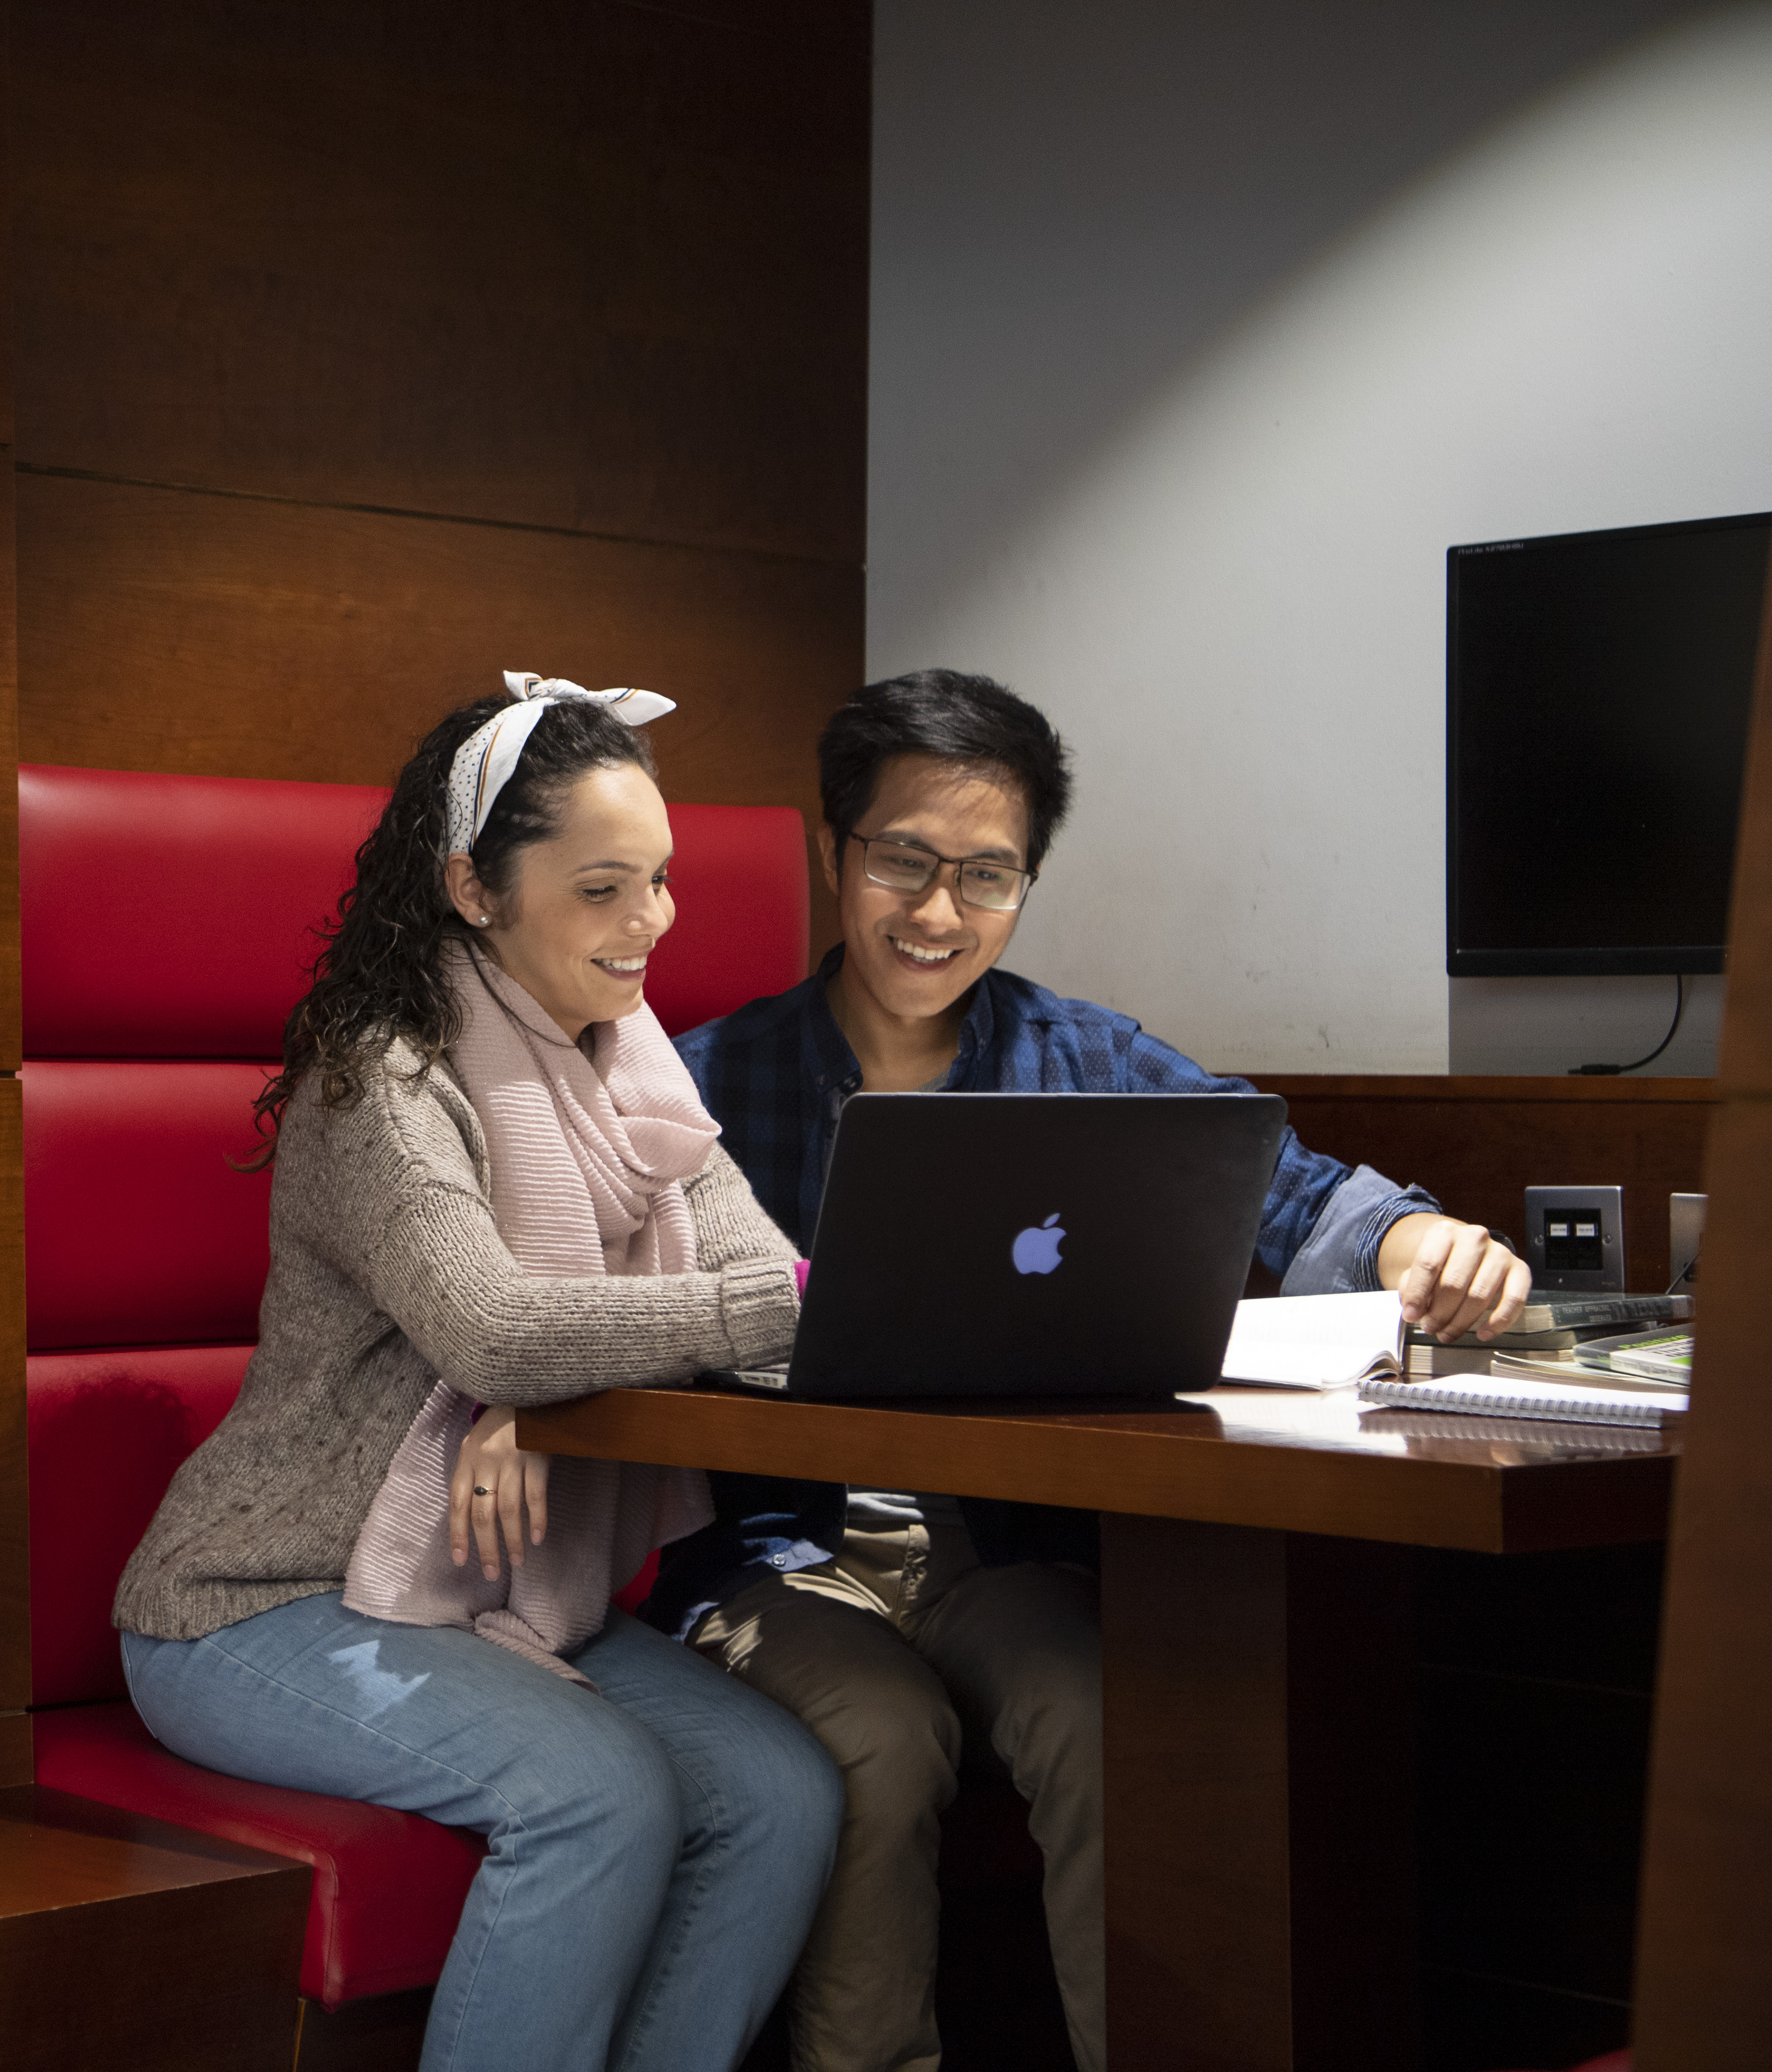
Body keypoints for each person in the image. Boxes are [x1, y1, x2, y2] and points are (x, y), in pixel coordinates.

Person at [644, 669, 1531, 2072]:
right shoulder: (698, 1086)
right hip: (783, 1553)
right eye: (904, 860)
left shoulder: (1082, 1055)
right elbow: (575, 1302)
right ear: (836, 849)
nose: (939, 913)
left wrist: (1423, 1237)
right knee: (878, 1732)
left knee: (1111, 1708)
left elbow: (1284, 1188)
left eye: (987, 876)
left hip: (1012, 1553)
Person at [112, 674, 844, 2072]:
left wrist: (549, 1388)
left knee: (779, 1789)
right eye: (603, 888)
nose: (653, 924)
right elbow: (517, 1323)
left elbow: (764, 1310)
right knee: (600, 1792)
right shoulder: (376, 1077)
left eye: (665, 882)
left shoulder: (643, 1086)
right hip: (256, 1601)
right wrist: (543, 1372)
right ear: (472, 886)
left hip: (485, 1591)